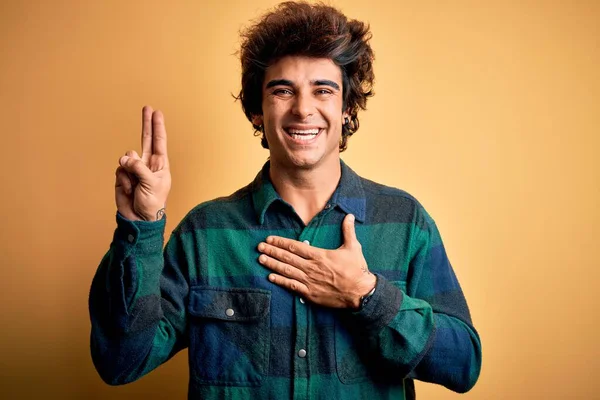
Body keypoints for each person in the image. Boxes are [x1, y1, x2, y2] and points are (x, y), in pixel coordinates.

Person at [89, 2, 482, 399]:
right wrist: (140, 226)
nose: (303, 109)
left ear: (346, 108)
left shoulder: (403, 221)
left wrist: (366, 294)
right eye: (282, 90)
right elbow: (121, 361)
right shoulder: (204, 233)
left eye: (323, 90)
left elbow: (463, 364)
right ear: (257, 110)